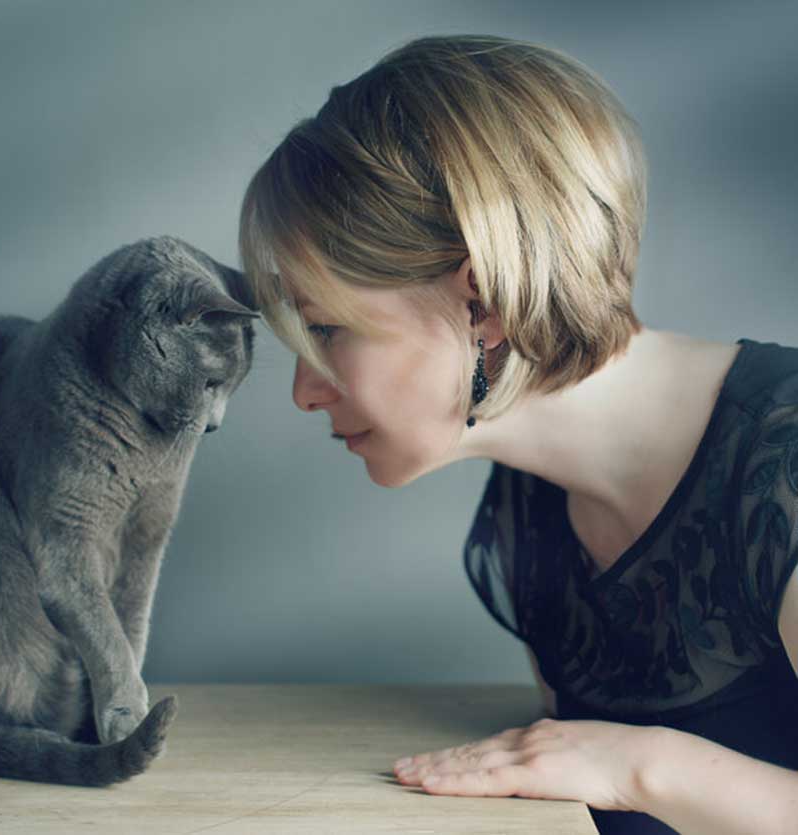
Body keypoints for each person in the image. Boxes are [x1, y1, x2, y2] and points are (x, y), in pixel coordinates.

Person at [237, 34, 798, 835]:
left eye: (328, 329)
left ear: (487, 301)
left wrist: (639, 763)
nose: (302, 390)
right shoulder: (528, 504)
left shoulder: (783, 459)